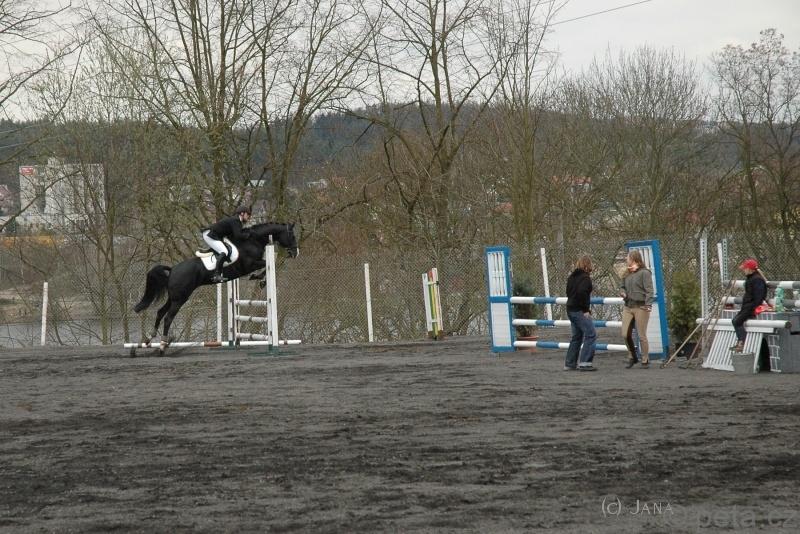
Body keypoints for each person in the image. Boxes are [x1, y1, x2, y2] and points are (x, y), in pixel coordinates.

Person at [620, 250, 654, 369]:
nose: (626, 260)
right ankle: (632, 356)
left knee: (641, 335)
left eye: (628, 257)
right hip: (628, 306)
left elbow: (649, 290)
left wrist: (648, 304)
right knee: (625, 334)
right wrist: (623, 292)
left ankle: (645, 359)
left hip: (641, 306)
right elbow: (622, 287)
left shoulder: (645, 273)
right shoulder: (626, 273)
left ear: (634, 259)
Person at [201, 205, 252, 283]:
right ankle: (216, 275)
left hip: (214, 235)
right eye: (247, 214)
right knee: (224, 251)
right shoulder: (236, 221)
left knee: (226, 249)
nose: (248, 217)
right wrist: (249, 235)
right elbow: (238, 236)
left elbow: (233, 236)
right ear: (242, 213)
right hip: (210, 235)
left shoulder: (236, 221)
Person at [565, 255, 597, 371]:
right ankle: (585, 362)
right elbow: (582, 292)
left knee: (577, 337)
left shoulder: (571, 277)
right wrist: (585, 309)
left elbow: (568, 292)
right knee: (591, 334)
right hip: (579, 310)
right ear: (588, 265)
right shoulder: (586, 278)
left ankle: (570, 363)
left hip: (570, 309)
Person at [730, 258, 767, 352]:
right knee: (735, 320)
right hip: (747, 306)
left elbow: (759, 296)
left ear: (750, 269)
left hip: (750, 307)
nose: (744, 270)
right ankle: (740, 342)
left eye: (745, 268)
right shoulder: (751, 278)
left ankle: (742, 343)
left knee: (737, 321)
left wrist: (753, 309)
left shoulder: (757, 279)